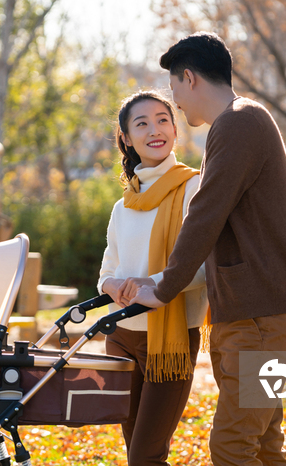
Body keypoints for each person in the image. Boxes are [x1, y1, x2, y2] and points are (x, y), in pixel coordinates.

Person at [129, 32, 286, 466]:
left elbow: (205, 214)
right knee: (264, 447)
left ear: (188, 78)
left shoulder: (239, 122)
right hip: (251, 314)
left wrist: (165, 287)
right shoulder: (238, 123)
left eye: (175, 92)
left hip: (261, 318)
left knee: (231, 446)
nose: (179, 104)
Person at [98, 90, 210, 466]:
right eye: (141, 124)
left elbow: (203, 266)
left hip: (171, 339)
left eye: (162, 120)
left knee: (145, 455)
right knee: (136, 450)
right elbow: (108, 269)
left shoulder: (194, 188)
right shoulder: (123, 204)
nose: (154, 130)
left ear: (175, 130)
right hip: (122, 337)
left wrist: (154, 284)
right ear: (127, 138)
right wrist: (112, 285)